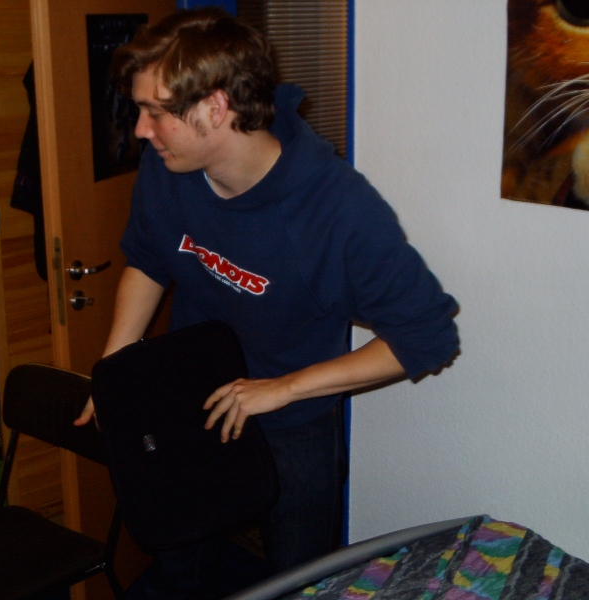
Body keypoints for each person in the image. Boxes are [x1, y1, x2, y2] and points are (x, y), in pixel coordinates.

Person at [75, 7, 458, 598]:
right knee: (179, 565)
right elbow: (149, 259)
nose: (142, 131)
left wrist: (283, 388)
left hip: (292, 419)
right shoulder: (168, 167)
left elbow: (427, 337)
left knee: (297, 581)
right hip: (190, 395)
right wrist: (115, 371)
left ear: (216, 107)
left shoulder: (337, 209)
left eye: (156, 112)